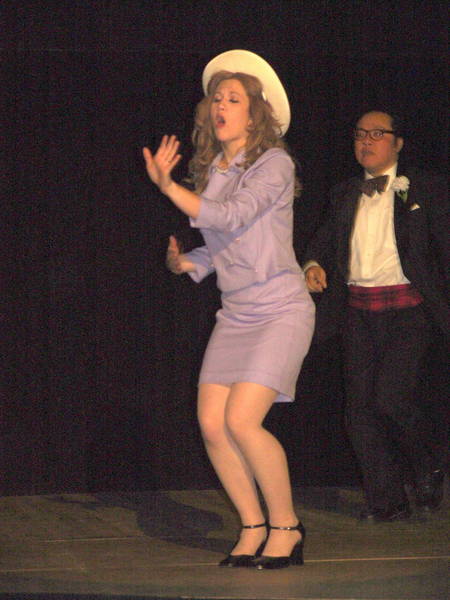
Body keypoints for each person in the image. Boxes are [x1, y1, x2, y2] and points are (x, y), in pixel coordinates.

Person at [143, 50, 315, 569]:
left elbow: (234, 215)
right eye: (216, 98)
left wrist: (169, 188)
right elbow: (225, 243)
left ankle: (287, 527)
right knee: (212, 424)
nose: (220, 106)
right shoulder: (215, 169)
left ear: (255, 114)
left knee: (242, 420)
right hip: (236, 312)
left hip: (280, 309)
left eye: (233, 99)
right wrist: (187, 262)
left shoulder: (275, 163)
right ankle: (253, 525)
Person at [303, 109, 449, 522]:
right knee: (360, 412)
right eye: (359, 134)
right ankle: (388, 501)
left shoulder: (424, 188)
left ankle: (429, 463)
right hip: (357, 312)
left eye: (377, 134)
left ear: (398, 143)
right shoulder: (344, 193)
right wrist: (312, 263)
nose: (366, 141)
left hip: (408, 312)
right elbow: (322, 241)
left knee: (392, 399)